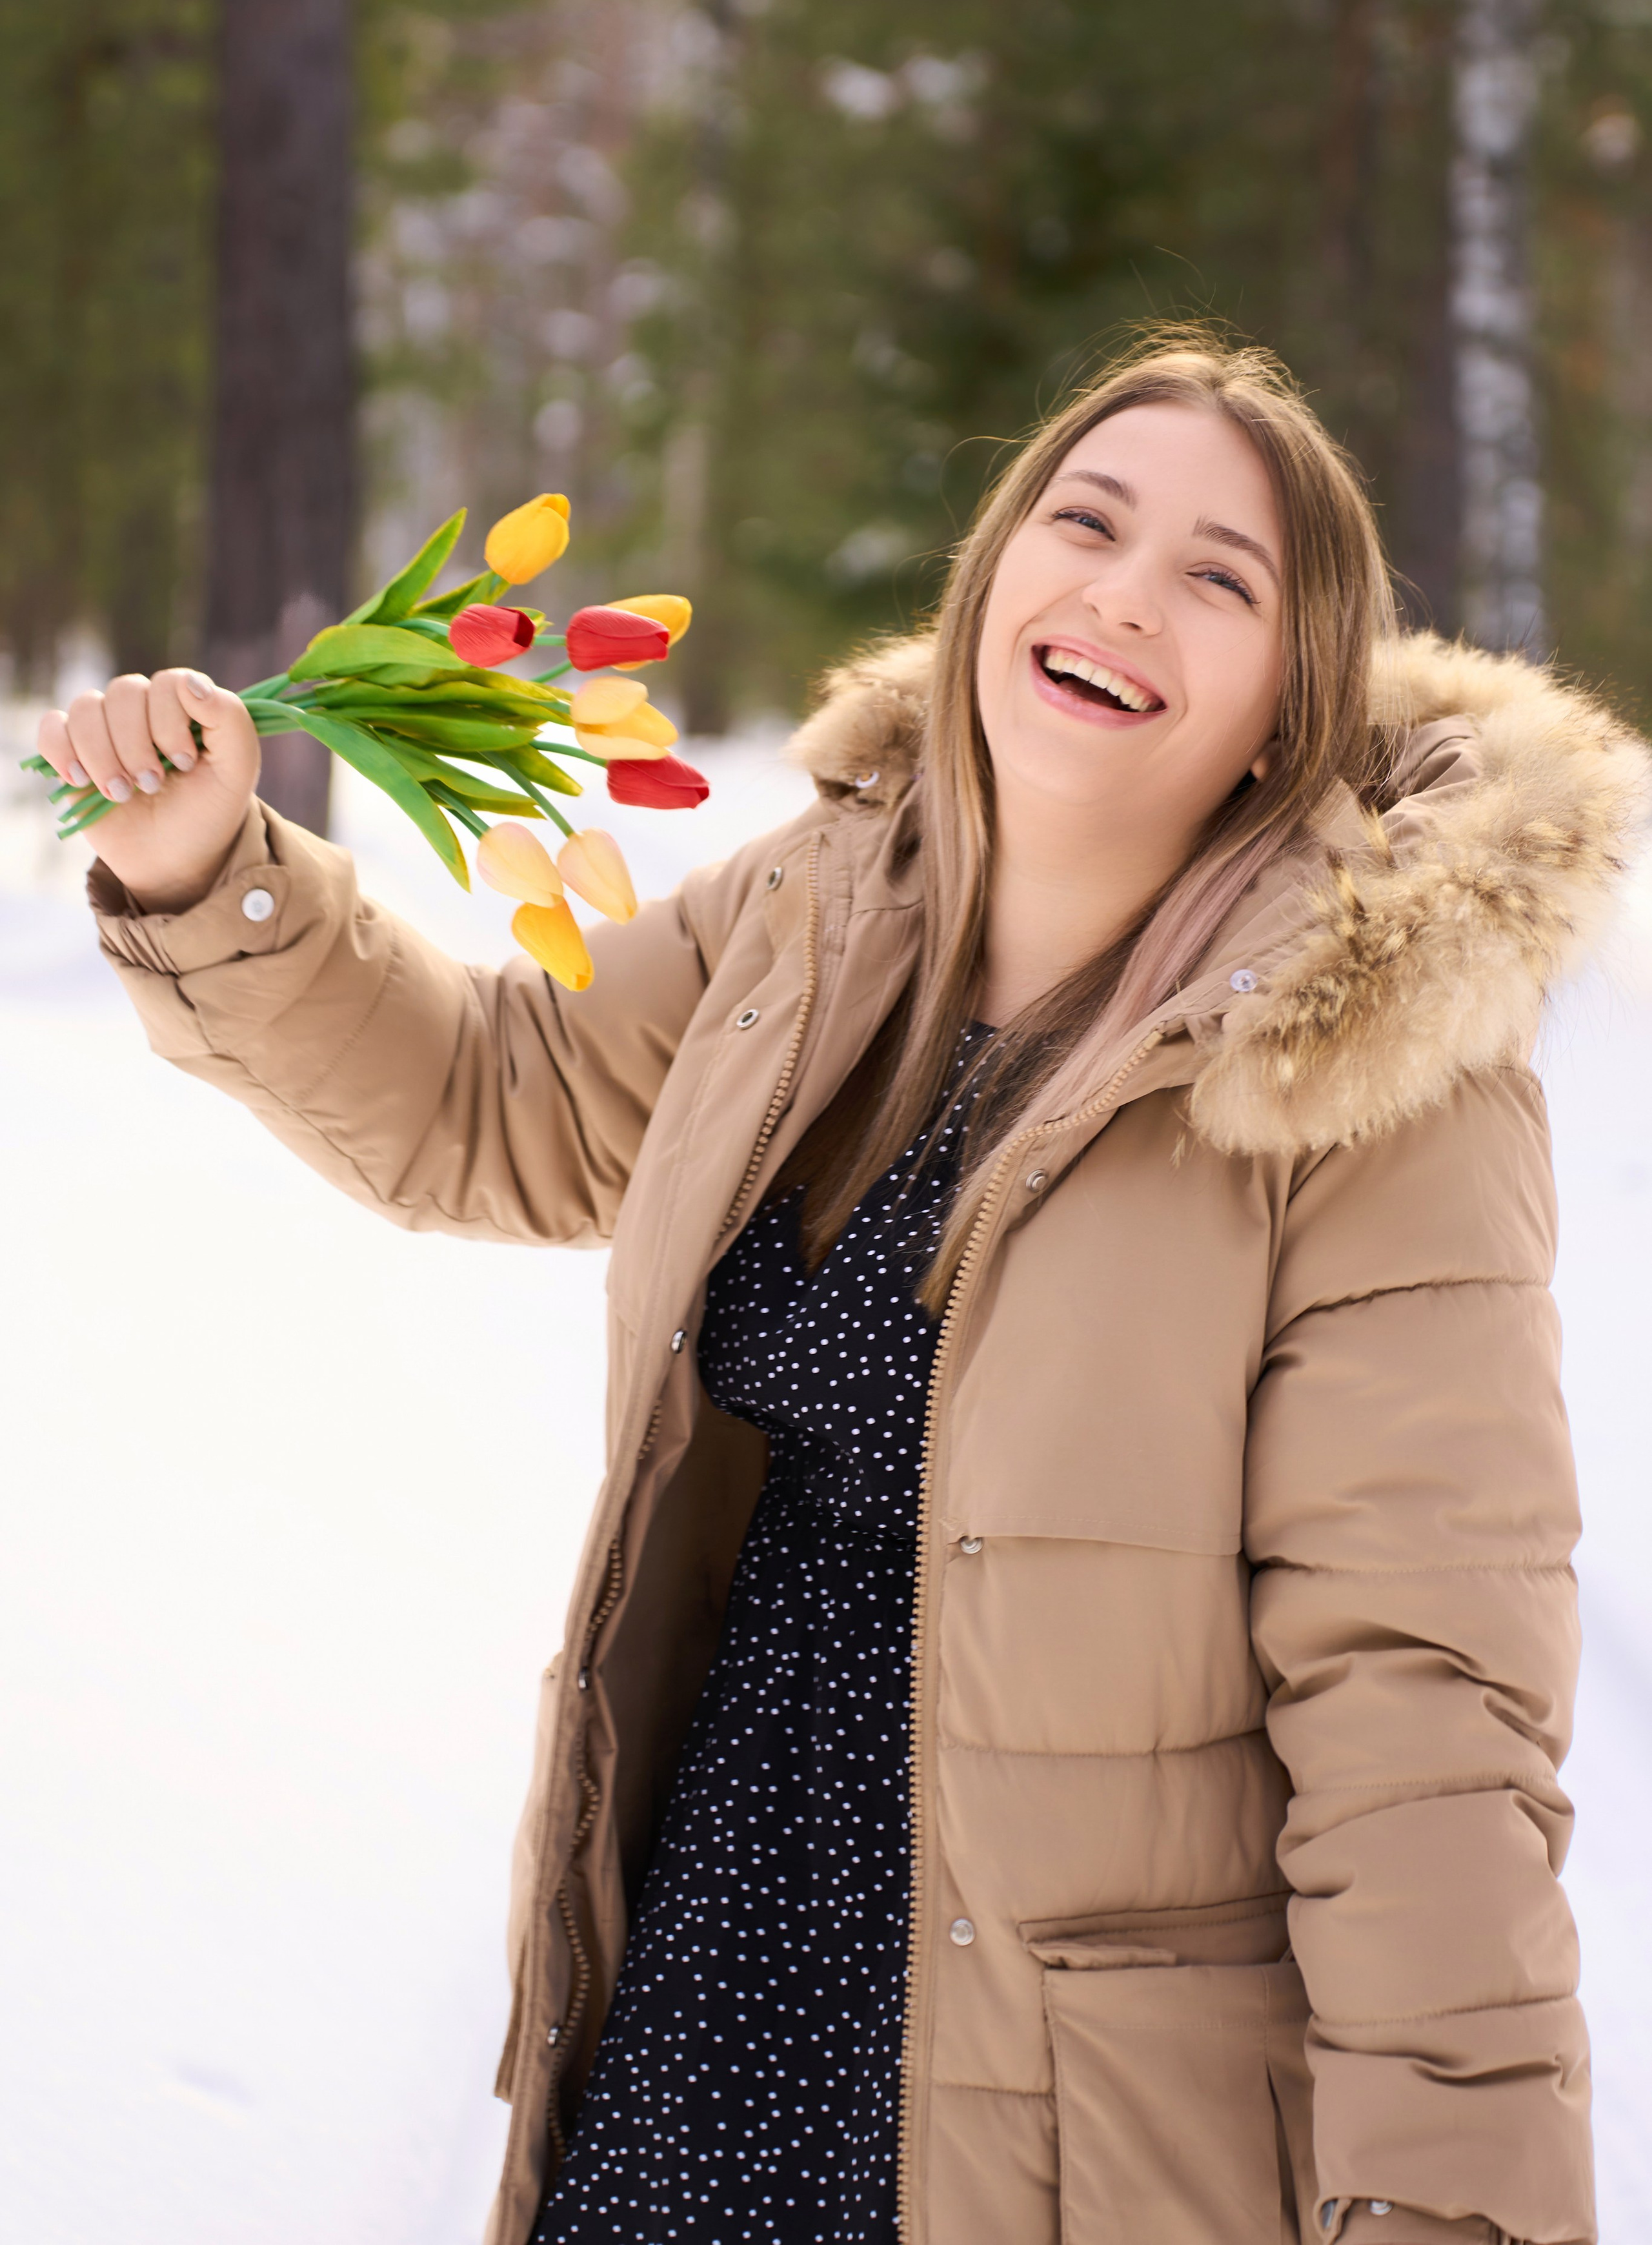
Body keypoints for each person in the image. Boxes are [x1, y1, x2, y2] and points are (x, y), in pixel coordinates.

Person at [38, 335, 1642, 2245]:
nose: (1125, 593)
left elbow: (1423, 1728)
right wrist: (210, 866)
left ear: (1288, 709)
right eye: (1087, 520)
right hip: (700, 2030)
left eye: (1221, 578)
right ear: (992, 579)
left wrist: (1460, 2215)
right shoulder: (821, 911)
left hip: (1058, 2141)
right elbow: (496, 1106)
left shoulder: (1365, 1076)